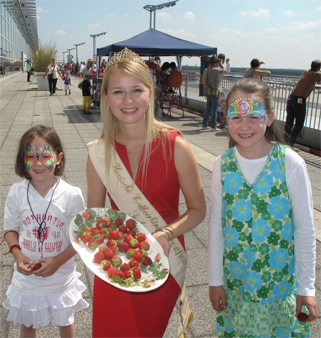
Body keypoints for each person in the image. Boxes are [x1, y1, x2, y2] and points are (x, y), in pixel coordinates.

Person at [86, 48, 206, 337]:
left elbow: (198, 209)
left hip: (161, 261)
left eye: (137, 90)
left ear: (150, 93)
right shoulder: (99, 153)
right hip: (116, 265)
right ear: (105, 98)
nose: (128, 101)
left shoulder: (175, 146)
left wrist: (166, 233)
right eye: (118, 92)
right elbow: (96, 217)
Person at [208, 78, 317, 337]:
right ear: (226, 120)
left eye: (254, 117)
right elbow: (216, 226)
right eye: (235, 118)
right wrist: (215, 281)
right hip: (237, 286)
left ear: (270, 117)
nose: (244, 126)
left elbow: (304, 229)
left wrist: (307, 288)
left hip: (277, 287)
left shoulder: (290, 163)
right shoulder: (222, 165)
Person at [2, 125, 89, 338]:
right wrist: (18, 254)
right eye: (31, 156)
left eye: (45, 156)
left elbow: (81, 235)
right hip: (27, 276)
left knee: (65, 319)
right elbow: (10, 229)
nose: (38, 163)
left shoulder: (71, 195)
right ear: (23, 160)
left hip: (60, 275)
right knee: (27, 323)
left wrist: (59, 260)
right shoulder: (16, 192)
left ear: (59, 158)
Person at [284, 59, 321, 146]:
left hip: (291, 97)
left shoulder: (305, 72)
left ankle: (284, 142)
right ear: (319, 68)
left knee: (289, 122)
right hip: (299, 100)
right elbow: (317, 77)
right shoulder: (317, 74)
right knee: (299, 124)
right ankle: (290, 143)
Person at [202, 56, 227, 130]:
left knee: (207, 108)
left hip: (208, 91)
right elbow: (225, 70)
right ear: (216, 63)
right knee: (214, 109)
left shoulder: (206, 70)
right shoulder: (215, 70)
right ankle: (213, 126)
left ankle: (204, 125)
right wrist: (221, 64)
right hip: (215, 91)